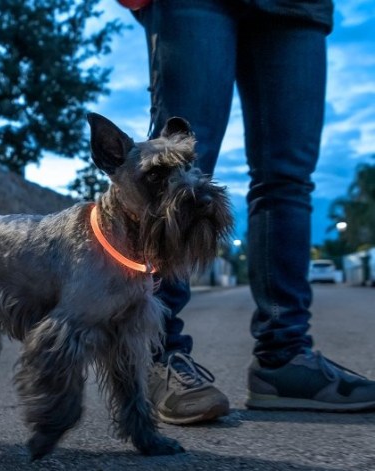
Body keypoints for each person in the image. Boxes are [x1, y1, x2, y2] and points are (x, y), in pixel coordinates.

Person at [117, 0, 375, 424]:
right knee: (178, 163)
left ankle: (284, 359)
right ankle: (155, 353)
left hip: (297, 7)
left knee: (288, 179)